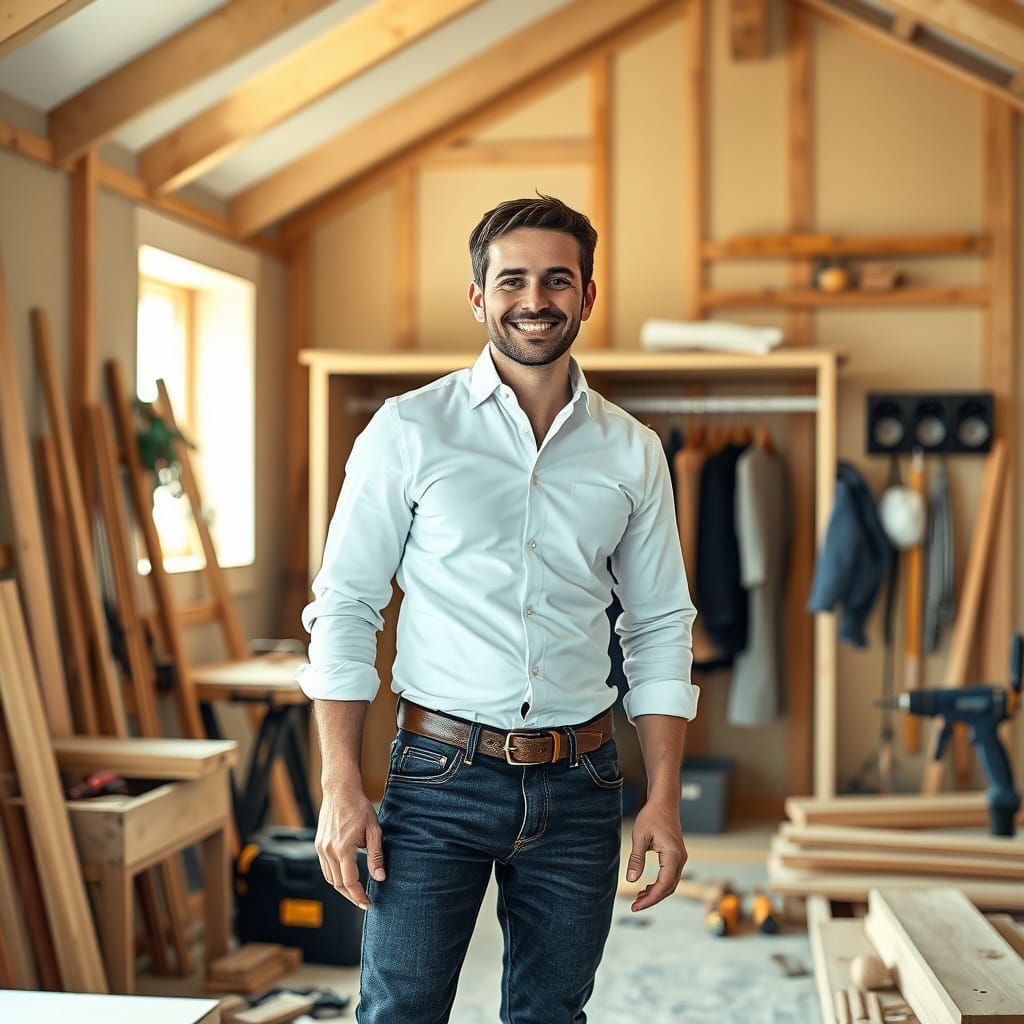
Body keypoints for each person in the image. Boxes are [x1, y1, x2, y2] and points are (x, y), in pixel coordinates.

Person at [299, 195, 699, 1023]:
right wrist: (341, 784)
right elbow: (346, 608)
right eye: (512, 279)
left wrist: (663, 795)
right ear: (478, 295)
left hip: (583, 783)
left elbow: (658, 626)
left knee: (552, 1015)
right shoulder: (408, 431)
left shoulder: (632, 450)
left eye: (558, 280)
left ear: (588, 294)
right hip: (437, 779)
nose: (535, 300)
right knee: (400, 1010)